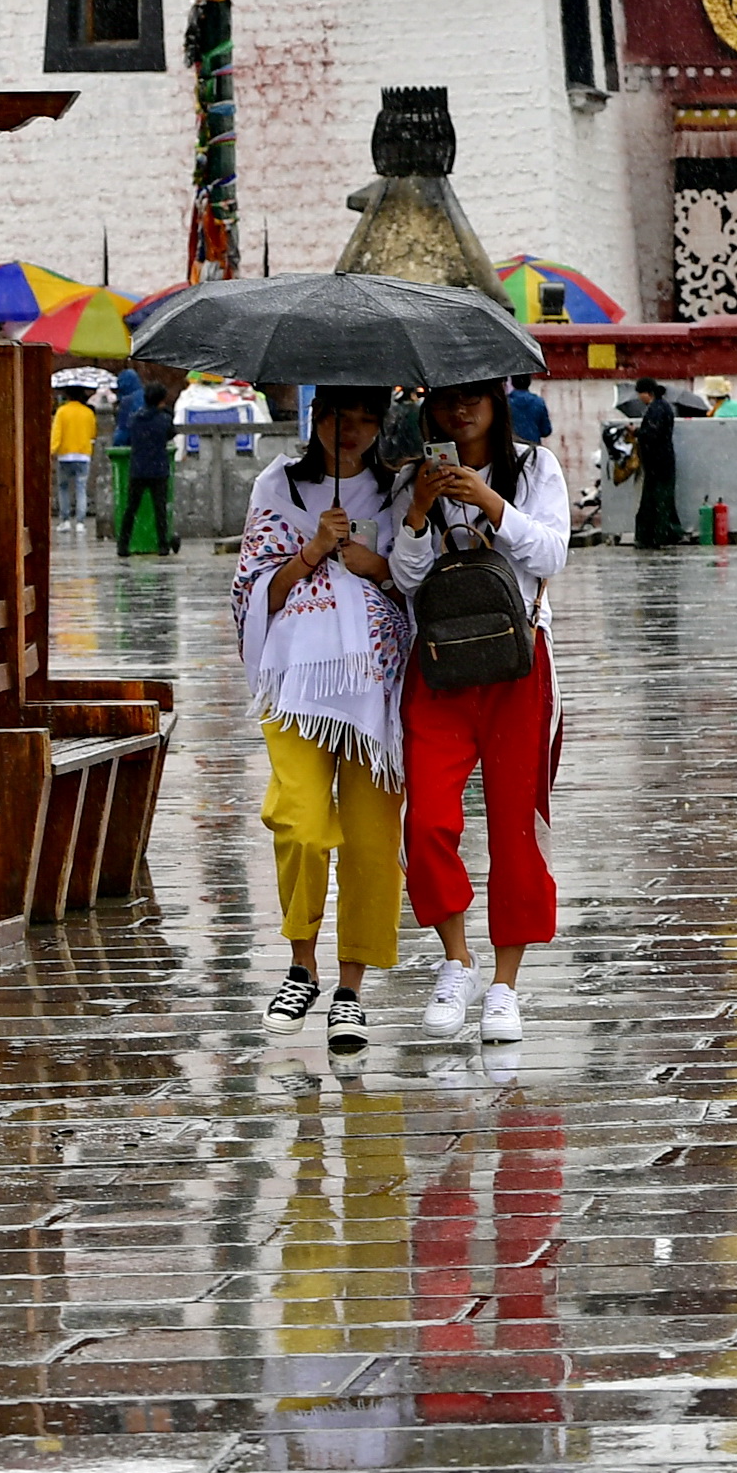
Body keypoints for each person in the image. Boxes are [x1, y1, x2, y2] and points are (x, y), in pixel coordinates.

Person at [388, 379, 570, 1044]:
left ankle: (505, 986)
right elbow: (405, 579)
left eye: (474, 398)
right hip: (437, 665)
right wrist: (420, 509)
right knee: (428, 819)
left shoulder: (534, 468)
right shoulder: (413, 476)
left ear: (498, 401)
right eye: (445, 400)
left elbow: (553, 553)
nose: (459, 411)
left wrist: (491, 502)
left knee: (516, 825)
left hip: (517, 664)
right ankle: (456, 958)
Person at [237, 387, 411, 1055]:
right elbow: (257, 590)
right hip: (297, 683)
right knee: (301, 824)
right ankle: (301, 965)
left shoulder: (400, 489)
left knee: (371, 844)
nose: (355, 433)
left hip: (374, 688)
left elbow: (414, 578)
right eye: (343, 417)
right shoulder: (277, 484)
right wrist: (313, 550)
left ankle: (351, 991)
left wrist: (375, 565)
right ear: (317, 416)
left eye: (370, 419)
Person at [114, 358, 184, 555]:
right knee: (159, 509)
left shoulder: (135, 419)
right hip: (158, 469)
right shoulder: (163, 419)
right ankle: (163, 545)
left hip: (137, 469)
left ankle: (123, 545)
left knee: (131, 509)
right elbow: (171, 433)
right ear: (161, 400)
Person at [625, 380, 683, 550]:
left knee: (657, 501)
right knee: (660, 500)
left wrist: (636, 432)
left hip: (658, 463)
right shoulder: (661, 407)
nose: (638, 397)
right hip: (660, 462)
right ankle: (662, 535)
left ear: (647, 393)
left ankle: (656, 536)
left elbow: (652, 433)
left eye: (640, 393)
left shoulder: (657, 409)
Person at [47, 386, 96, 532]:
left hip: (65, 455)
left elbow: (57, 433)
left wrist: (52, 450)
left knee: (63, 488)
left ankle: (65, 520)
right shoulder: (88, 412)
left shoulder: (62, 412)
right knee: (81, 488)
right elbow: (93, 433)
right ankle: (80, 522)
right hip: (83, 455)